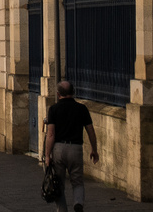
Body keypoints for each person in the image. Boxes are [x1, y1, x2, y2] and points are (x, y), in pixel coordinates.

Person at [43, 80, 99, 212]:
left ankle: (62, 210)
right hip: (75, 148)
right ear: (73, 93)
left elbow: (51, 134)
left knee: (58, 183)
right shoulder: (82, 109)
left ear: (58, 94)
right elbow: (91, 131)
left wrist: (47, 155)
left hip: (59, 149)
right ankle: (78, 203)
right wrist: (94, 150)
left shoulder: (53, 109)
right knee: (77, 181)